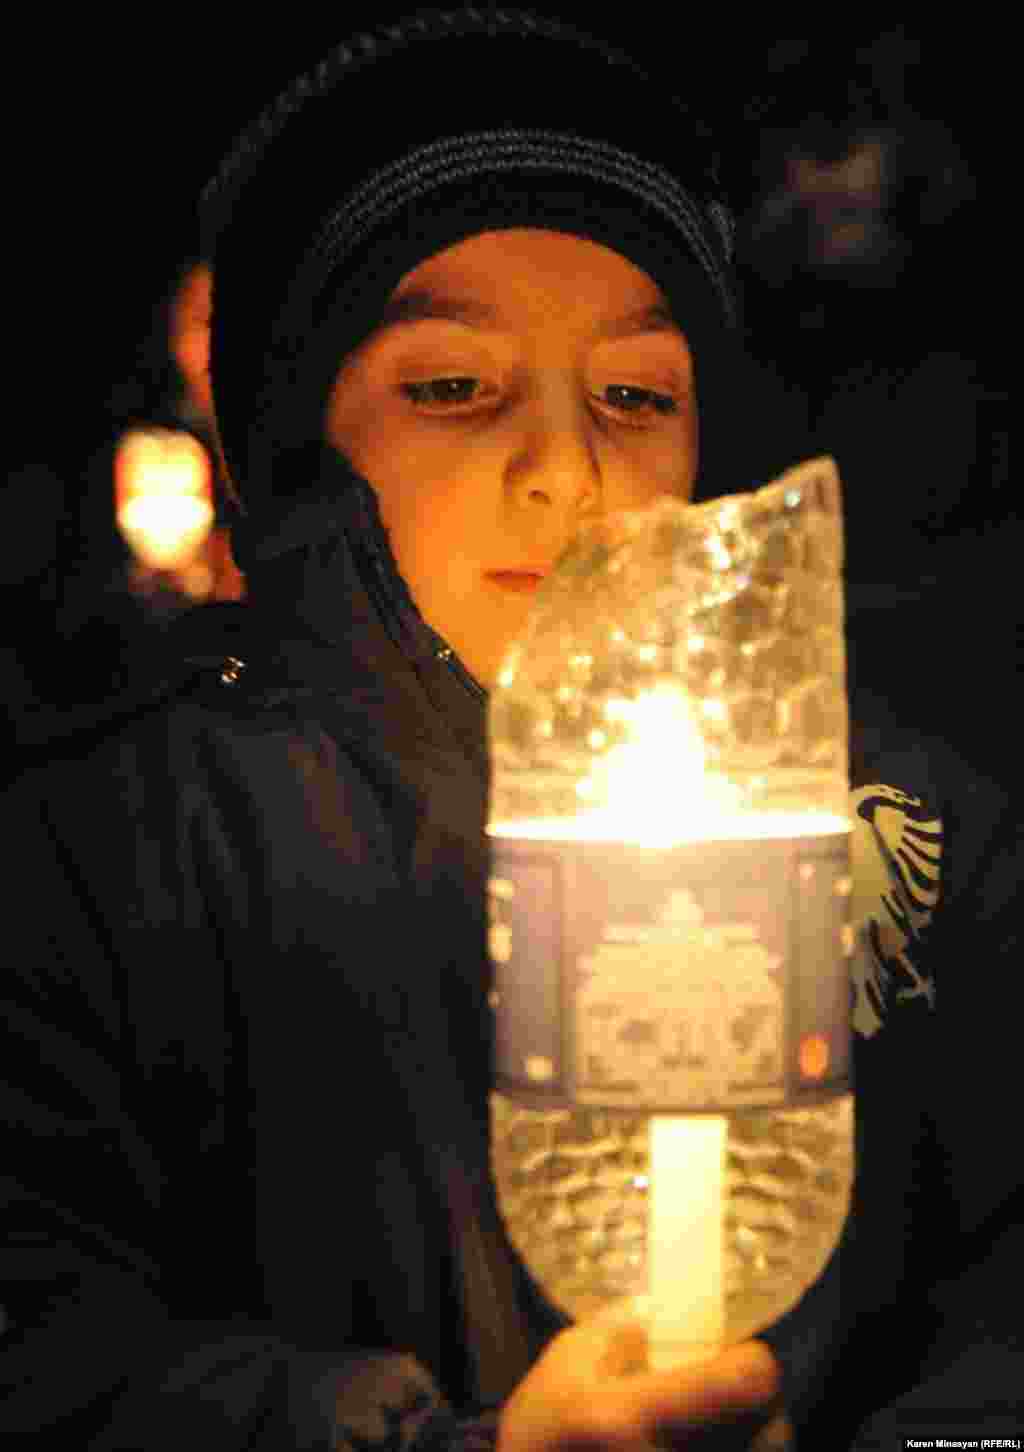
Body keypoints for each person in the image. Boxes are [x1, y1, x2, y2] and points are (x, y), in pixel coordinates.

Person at [2, 9, 1019, 1450]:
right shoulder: (108, 866)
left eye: (633, 394)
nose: (570, 471)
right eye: (454, 389)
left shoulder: (909, 827)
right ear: (308, 452)